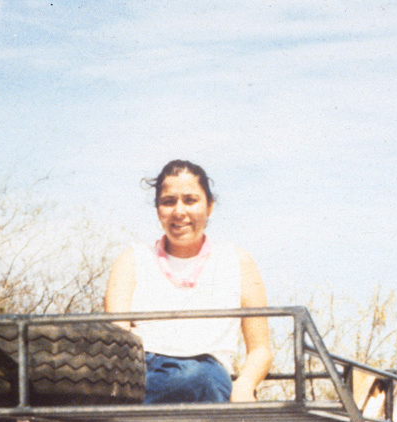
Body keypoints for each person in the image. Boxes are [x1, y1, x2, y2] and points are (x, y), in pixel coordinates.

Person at [104, 160, 273, 403]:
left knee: (198, 376)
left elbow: (260, 349)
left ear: (210, 206)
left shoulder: (237, 261)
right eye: (168, 201)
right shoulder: (131, 260)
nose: (179, 211)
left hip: (208, 374)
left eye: (190, 200)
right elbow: (117, 340)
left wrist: (244, 385)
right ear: (157, 208)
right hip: (143, 371)